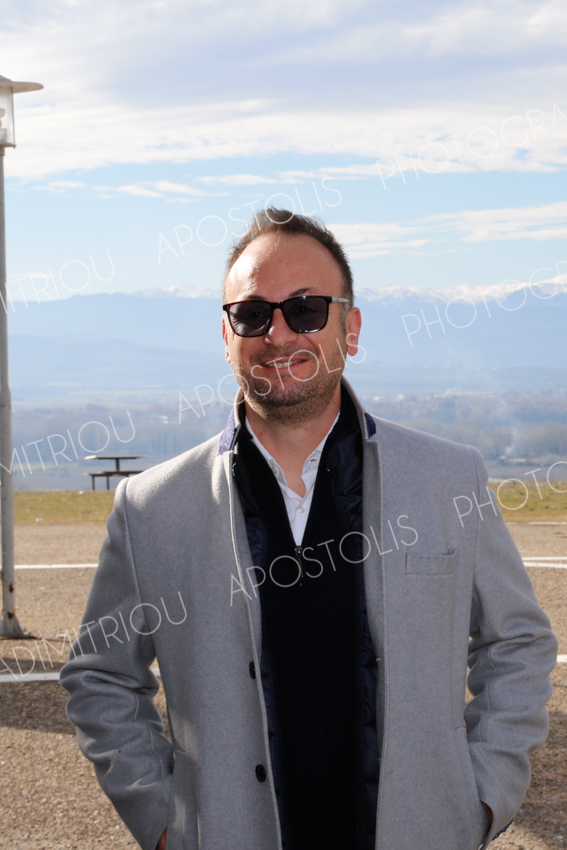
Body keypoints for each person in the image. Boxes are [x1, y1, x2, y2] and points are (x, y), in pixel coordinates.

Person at [61, 209, 557, 850]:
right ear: (226, 334)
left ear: (351, 328)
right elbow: (99, 676)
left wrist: (481, 798)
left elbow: (517, 642)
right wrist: (165, 822)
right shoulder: (151, 508)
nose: (278, 333)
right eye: (252, 314)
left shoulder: (449, 478)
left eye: (306, 310)